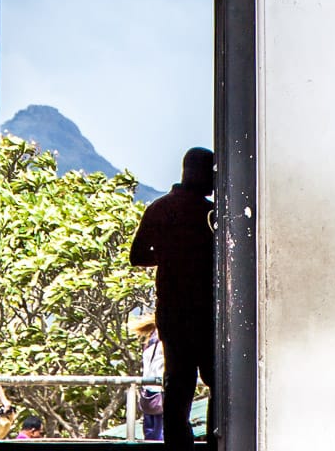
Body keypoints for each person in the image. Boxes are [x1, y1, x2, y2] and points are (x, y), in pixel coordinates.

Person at [128, 147, 215, 449]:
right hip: (206, 313)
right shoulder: (209, 214)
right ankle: (219, 441)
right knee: (218, 381)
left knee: (178, 383)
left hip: (172, 312)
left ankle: (179, 446)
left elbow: (137, 256)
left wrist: (166, 255)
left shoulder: (159, 209)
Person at [132, 313, 165, 441]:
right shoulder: (160, 340)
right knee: (159, 434)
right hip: (159, 392)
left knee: (151, 434)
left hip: (149, 392)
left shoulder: (151, 340)